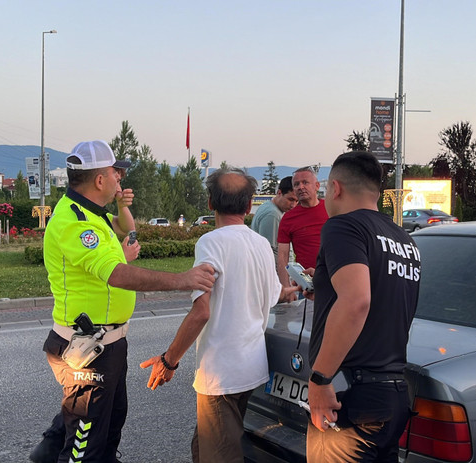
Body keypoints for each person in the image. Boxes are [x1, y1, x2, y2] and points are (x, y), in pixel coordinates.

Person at [31, 140, 216, 463]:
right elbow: (116, 274)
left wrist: (120, 206)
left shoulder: (91, 213)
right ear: (99, 180)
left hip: (106, 345)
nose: (120, 180)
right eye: (116, 173)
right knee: (84, 450)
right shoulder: (75, 222)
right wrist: (181, 279)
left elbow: (125, 229)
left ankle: (46, 453)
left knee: (102, 429)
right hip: (87, 349)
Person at [140, 168, 299, 463]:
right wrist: (295, 290)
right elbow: (276, 292)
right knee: (206, 446)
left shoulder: (211, 243)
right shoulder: (261, 244)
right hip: (251, 369)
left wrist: (168, 360)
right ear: (249, 205)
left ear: (210, 202)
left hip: (222, 375)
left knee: (220, 453)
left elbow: (201, 311)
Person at [305, 151, 421, 463]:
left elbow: (357, 301)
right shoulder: (404, 240)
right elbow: (383, 298)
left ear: (335, 188)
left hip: (351, 400)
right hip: (392, 393)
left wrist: (320, 380)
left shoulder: (343, 226)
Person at [276, 166, 329, 285]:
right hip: (306, 283)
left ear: (317, 186)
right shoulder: (288, 219)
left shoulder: (331, 209)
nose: (301, 187)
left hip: (334, 279)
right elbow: (282, 256)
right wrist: (286, 287)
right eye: (296, 184)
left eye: (305, 182)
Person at [250, 176, 298, 261]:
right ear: (279, 193)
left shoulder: (269, 207)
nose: (293, 205)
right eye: (291, 199)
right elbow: (271, 252)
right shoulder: (273, 215)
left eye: (297, 201)